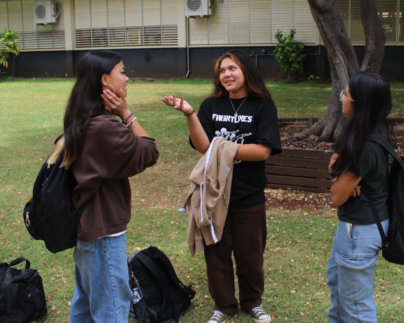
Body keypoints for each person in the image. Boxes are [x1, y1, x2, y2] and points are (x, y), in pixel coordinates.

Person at [162, 50, 282, 323]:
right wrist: (190, 113)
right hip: (213, 194)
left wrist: (223, 148)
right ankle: (224, 306)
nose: (226, 74)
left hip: (248, 195)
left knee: (250, 256)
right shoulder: (211, 105)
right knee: (216, 254)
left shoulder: (262, 106)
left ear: (246, 71)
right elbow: (204, 148)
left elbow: (262, 151)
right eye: (221, 70)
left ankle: (252, 302)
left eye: (232, 68)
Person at [53, 51, 159, 322]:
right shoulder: (102, 127)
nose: (127, 78)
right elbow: (148, 152)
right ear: (104, 79)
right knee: (111, 308)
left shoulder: (81, 116)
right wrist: (127, 114)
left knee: (85, 305)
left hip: (87, 230)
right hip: (102, 235)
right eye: (122, 72)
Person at [327, 72, 392, 322]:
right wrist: (340, 174)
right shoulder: (372, 131)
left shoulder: (365, 144)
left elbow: (336, 198)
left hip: (360, 232)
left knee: (355, 303)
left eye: (346, 94)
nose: (342, 98)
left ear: (359, 102)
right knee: (339, 286)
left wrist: (339, 178)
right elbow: (334, 166)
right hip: (358, 227)